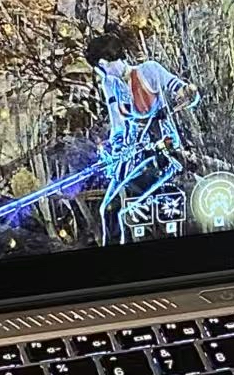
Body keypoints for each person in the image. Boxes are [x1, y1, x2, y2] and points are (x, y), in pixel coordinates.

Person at [83, 25, 197, 243]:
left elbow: (185, 92)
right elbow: (117, 123)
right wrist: (115, 152)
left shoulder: (150, 70)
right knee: (108, 209)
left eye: (99, 67)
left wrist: (185, 94)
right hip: (133, 155)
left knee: (118, 207)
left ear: (103, 63)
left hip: (162, 153)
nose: (100, 72)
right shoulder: (110, 84)